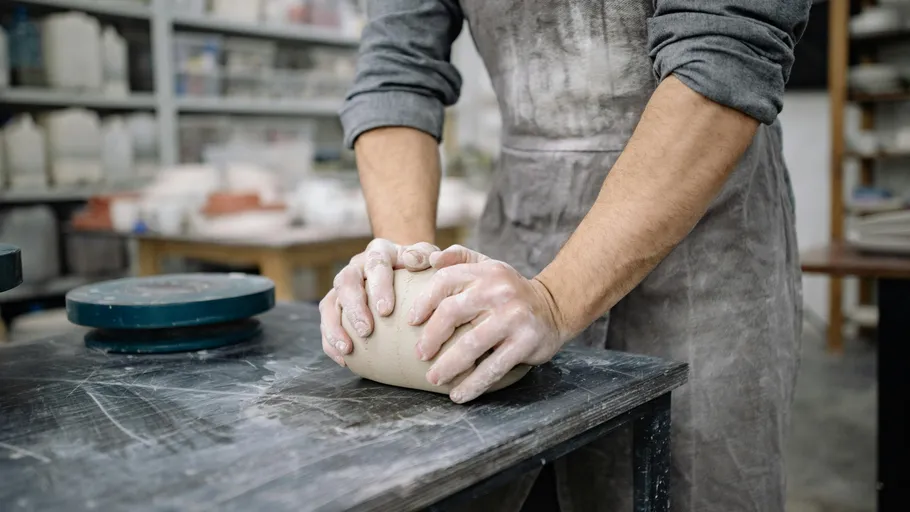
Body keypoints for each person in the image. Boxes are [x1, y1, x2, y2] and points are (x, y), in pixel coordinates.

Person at [319, 1, 812, 510]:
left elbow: (725, 49)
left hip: (704, 236)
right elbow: (398, 75)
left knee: (690, 485)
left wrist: (554, 301)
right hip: (520, 235)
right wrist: (406, 272)